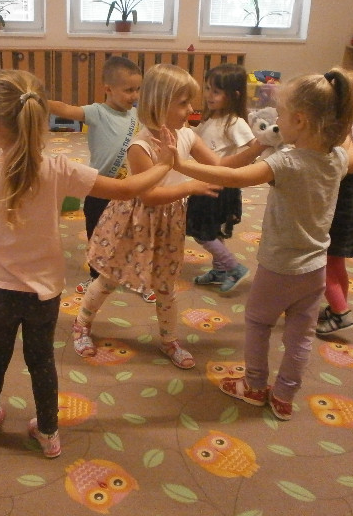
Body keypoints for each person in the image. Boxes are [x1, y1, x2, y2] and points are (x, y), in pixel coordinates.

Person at [0, 69, 175, 459]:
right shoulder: (58, 168)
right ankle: (49, 432)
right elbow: (126, 189)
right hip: (45, 292)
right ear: (40, 121)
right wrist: (165, 164)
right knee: (42, 362)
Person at [170, 67, 353, 419]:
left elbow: (233, 176)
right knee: (301, 336)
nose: (275, 122)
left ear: (299, 120)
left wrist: (181, 164)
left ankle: (254, 385)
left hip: (279, 267)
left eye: (280, 115)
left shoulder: (286, 162)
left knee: (258, 323)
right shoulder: (339, 159)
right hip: (315, 268)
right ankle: (284, 396)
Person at [72, 64, 263, 369]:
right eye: (184, 103)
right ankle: (82, 324)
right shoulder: (141, 145)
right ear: (160, 103)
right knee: (109, 279)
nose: (192, 110)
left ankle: (169, 339)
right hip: (135, 222)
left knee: (166, 285)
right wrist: (189, 186)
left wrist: (258, 147)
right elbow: (148, 195)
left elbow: (219, 166)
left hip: (169, 222)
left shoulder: (187, 135)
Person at [47, 56, 156, 304]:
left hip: (128, 189)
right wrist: (39, 101)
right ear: (108, 89)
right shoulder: (97, 112)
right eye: (128, 90)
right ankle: (96, 276)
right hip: (99, 187)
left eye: (137, 89)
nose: (134, 95)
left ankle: (139, 279)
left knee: (134, 236)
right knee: (96, 235)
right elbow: (65, 109)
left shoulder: (137, 115)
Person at [187, 64, 255, 295]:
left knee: (200, 231)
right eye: (207, 89)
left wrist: (229, 168)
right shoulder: (209, 119)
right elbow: (193, 140)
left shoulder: (235, 122)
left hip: (219, 187)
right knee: (213, 230)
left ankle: (234, 267)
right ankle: (220, 270)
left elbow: (252, 148)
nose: (209, 95)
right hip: (205, 183)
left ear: (234, 95)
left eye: (216, 91)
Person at [316, 70, 353, 335]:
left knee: (322, 261)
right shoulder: (339, 124)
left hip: (346, 208)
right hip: (337, 204)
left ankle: (341, 312)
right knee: (336, 262)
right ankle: (338, 305)